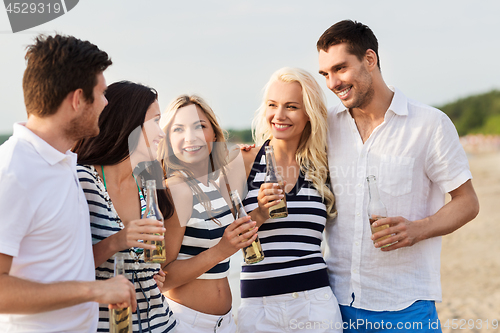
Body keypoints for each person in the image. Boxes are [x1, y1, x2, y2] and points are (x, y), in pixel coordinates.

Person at [317, 20, 480, 332]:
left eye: (340, 69)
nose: (332, 82)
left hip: (406, 308)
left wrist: (418, 229)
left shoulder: (429, 124)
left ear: (369, 59)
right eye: (325, 73)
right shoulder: (326, 126)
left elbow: (467, 202)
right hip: (334, 306)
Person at [0, 34, 136, 332]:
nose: (106, 102)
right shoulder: (13, 171)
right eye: (101, 93)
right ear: (77, 99)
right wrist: (94, 290)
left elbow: (59, 259)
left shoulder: (62, 162)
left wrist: (117, 243)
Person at [235, 67, 343, 333]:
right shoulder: (244, 161)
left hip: (315, 304)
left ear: (309, 113)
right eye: (272, 105)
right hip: (258, 308)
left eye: (291, 106)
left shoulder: (323, 165)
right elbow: (221, 236)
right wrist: (260, 213)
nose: (279, 115)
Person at [73, 81, 178, 332]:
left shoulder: (147, 182)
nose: (161, 133)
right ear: (128, 123)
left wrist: (149, 274)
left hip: (162, 323)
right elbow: (66, 267)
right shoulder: (82, 180)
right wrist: (118, 240)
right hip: (105, 325)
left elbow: (150, 260)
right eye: (155, 121)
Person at [156, 95, 258, 332]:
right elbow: (163, 278)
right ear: (169, 140)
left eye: (199, 126)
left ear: (214, 133)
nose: (190, 137)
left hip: (224, 324)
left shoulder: (211, 184)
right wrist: (221, 250)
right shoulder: (176, 189)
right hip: (186, 323)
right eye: (178, 129)